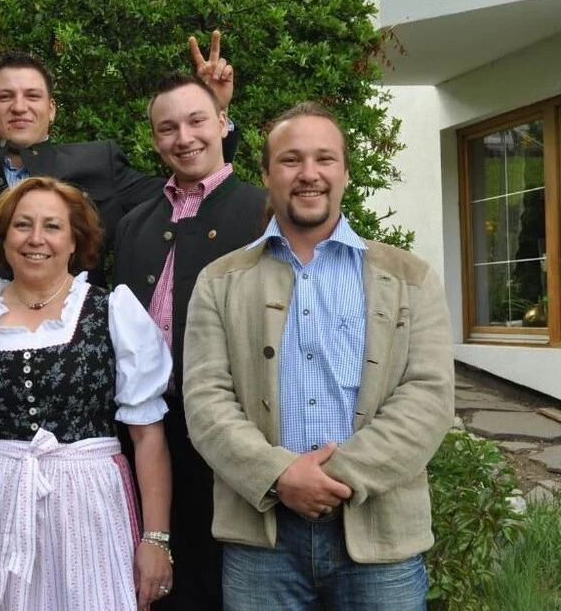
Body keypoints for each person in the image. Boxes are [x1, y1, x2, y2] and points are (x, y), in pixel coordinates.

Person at [182, 102, 455, 610]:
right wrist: (280, 476)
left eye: (325, 159)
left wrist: (334, 479)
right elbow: (205, 401)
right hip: (261, 542)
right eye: (291, 160)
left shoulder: (409, 278)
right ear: (267, 175)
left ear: (345, 173)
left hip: (381, 539)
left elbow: (429, 397)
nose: (309, 173)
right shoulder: (219, 282)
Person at [0, 177, 174, 610]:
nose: (36, 239)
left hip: (89, 502)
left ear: (75, 240)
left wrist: (156, 539)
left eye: (53, 226)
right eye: (22, 225)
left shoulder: (112, 311)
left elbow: (147, 435)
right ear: (3, 238)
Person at [0, 32, 239, 306]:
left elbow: (189, 190)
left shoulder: (99, 164)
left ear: (52, 108)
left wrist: (211, 110)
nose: (19, 107)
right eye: (5, 97)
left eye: (32, 96)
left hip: (80, 345)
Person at [113, 72, 266, 611]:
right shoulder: (134, 223)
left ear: (224, 121)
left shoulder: (263, 213)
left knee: (226, 582)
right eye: (168, 128)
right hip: (148, 433)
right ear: (154, 139)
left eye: (197, 120)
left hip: (235, 431)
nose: (184, 138)